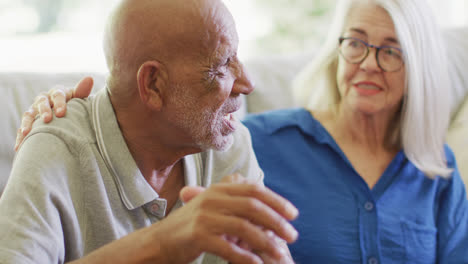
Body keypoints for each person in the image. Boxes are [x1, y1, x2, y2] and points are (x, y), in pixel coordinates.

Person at [16, 0, 468, 263]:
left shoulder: (229, 143)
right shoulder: (262, 137)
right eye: (356, 44)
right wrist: (168, 239)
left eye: (391, 51)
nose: (247, 84)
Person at [0, 0, 300, 263]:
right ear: (154, 84)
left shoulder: (228, 143)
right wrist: (162, 244)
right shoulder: (55, 147)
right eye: (222, 65)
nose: (248, 83)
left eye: (237, 57)